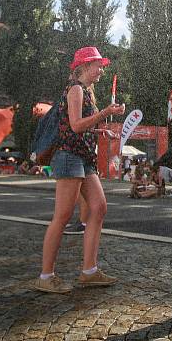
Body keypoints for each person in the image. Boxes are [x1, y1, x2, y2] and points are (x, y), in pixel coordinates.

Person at [33, 46, 126, 293]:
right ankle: (45, 276)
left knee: (99, 207)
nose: (102, 70)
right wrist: (106, 113)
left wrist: (100, 130)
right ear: (84, 67)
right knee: (62, 216)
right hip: (69, 156)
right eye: (98, 65)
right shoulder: (75, 89)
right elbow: (74, 126)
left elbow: (79, 126)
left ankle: (89, 271)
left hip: (83, 157)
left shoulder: (86, 91)